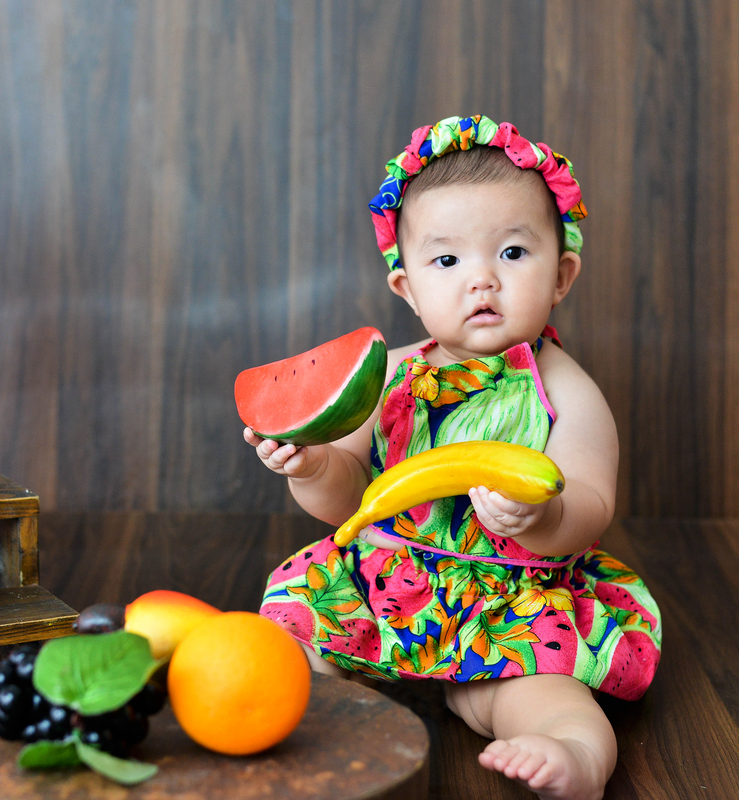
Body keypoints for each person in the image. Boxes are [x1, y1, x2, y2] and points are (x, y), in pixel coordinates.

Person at [249, 115, 660, 800]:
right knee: (295, 635)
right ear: (406, 287)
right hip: (379, 586)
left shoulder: (564, 390)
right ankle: (299, 717)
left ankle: (573, 752)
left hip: (507, 599)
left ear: (562, 275)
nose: (482, 282)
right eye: (447, 261)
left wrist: (543, 515)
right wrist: (316, 468)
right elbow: (349, 500)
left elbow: (592, 500)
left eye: (512, 254)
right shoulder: (387, 376)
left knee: (541, 687)